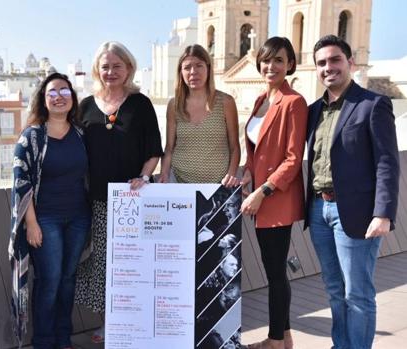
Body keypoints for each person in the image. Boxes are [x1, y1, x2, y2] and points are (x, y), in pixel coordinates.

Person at [305, 35, 399, 349]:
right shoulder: (313, 110)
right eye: (321, 63)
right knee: (333, 288)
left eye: (335, 60)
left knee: (356, 293)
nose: (328, 68)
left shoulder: (373, 104)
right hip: (319, 211)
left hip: (356, 213)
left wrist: (383, 213)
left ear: (350, 63)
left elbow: (387, 161)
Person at [74, 41, 163, 343]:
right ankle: (109, 322)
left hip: (133, 201)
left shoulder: (141, 104)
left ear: (128, 69)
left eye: (117, 66)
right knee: (102, 264)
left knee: (132, 264)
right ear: (97, 70)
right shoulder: (85, 106)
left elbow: (154, 150)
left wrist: (144, 176)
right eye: (105, 66)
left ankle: (132, 324)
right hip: (95, 201)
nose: (111, 71)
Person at [9, 73, 90, 349]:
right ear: (43, 100)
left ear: (72, 98)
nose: (58, 97)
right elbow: (21, 181)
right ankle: (43, 340)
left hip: (79, 218)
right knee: (50, 280)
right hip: (46, 219)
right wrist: (31, 222)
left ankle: (63, 337)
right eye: (52, 92)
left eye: (64, 91)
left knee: (68, 279)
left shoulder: (81, 133)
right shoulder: (32, 137)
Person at [240, 37, 308, 349]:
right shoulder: (260, 100)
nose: (272, 66)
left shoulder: (294, 102)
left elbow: (293, 159)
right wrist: (247, 172)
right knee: (275, 270)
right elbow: (255, 149)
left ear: (290, 64)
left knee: (276, 273)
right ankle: (287, 338)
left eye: (279, 60)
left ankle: (274, 340)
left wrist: (261, 192)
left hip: (276, 200)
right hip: (261, 197)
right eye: (267, 60)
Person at [158, 44, 239, 186]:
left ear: (208, 68)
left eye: (199, 65)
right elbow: (169, 148)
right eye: (187, 67)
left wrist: (231, 174)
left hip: (219, 186)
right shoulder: (174, 105)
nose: (193, 72)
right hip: (179, 183)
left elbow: (235, 147)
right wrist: (164, 173)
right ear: (180, 72)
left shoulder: (226, 102)